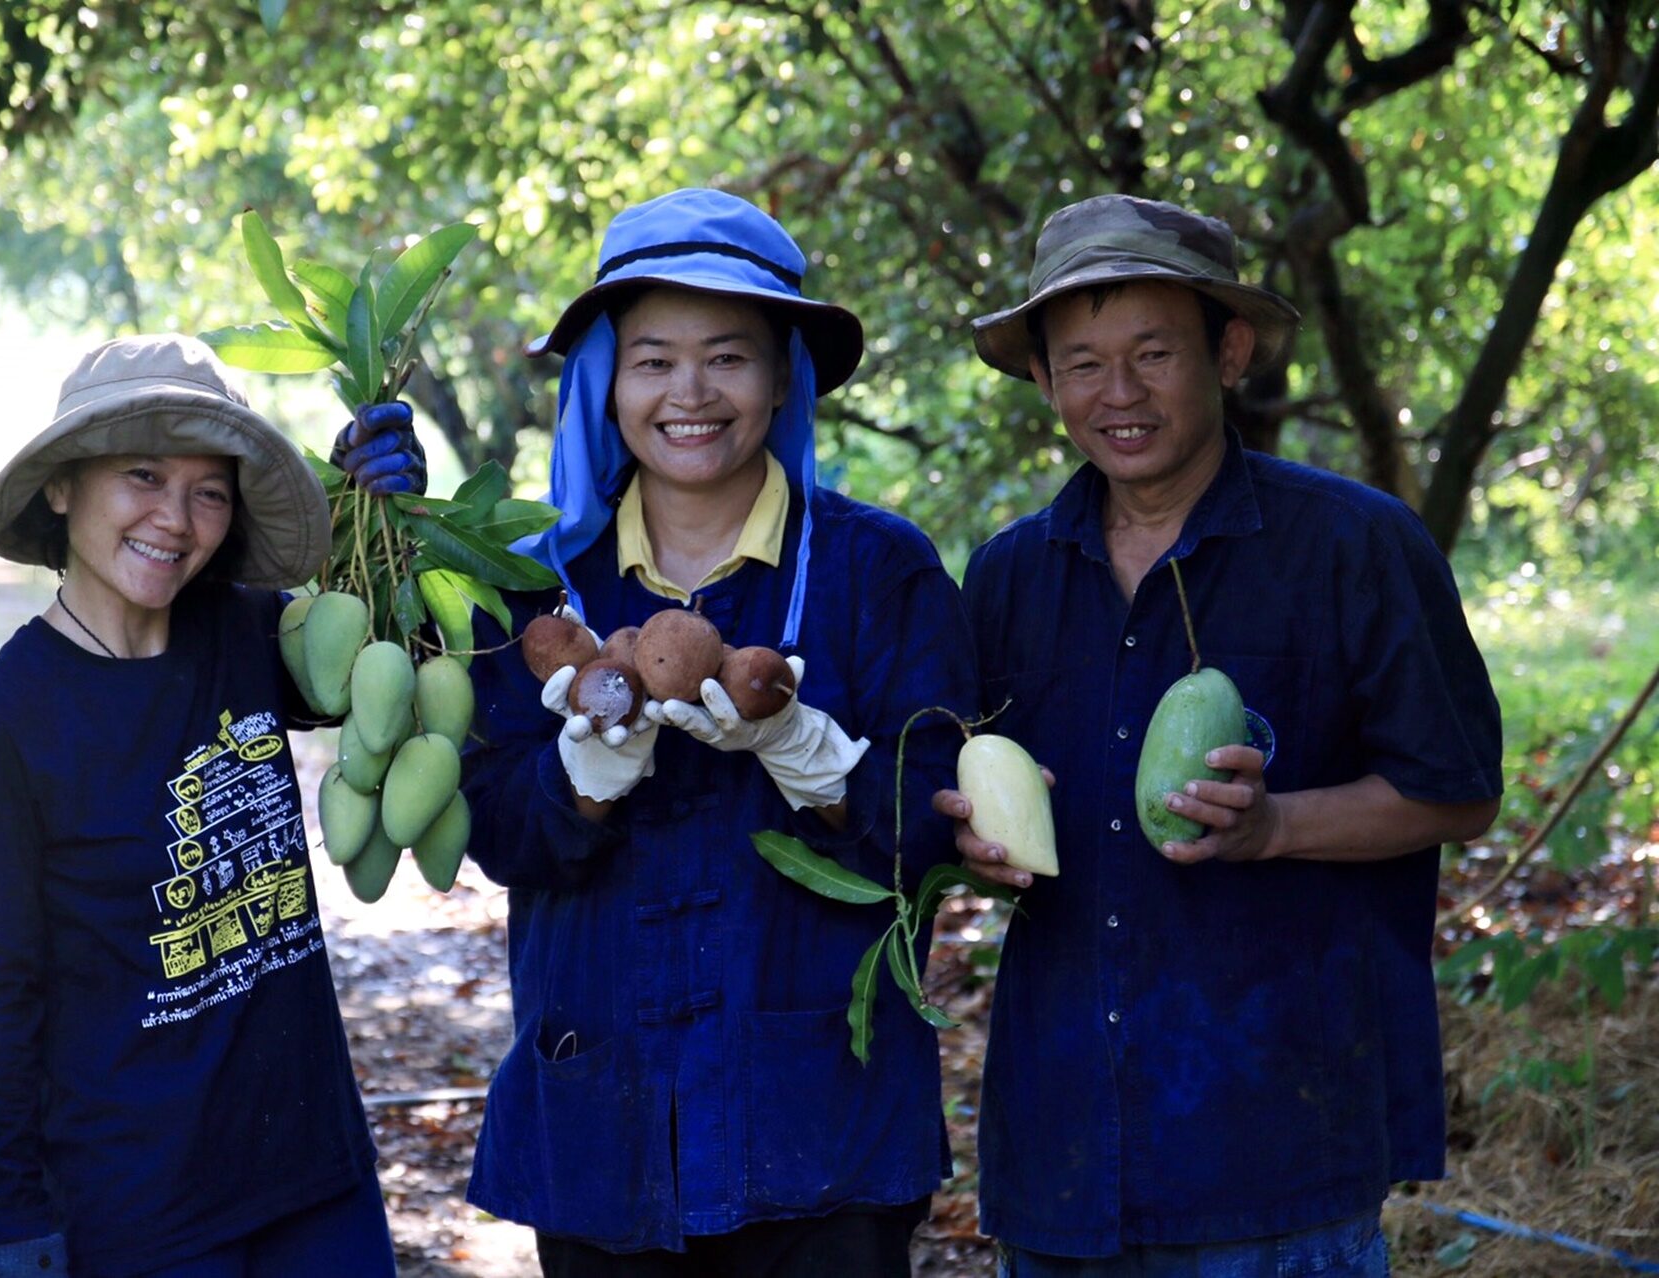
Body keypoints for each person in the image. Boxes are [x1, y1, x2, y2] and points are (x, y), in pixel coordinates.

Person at [934, 194, 1504, 1275]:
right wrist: (972, 840)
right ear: (1045, 380)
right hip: (1062, 1153)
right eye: (1083, 364)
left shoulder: (1354, 545)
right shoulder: (1009, 576)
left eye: (1154, 353)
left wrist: (1275, 826)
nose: (1120, 393)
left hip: (1275, 1144)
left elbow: (1460, 789)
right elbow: (976, 792)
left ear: (1229, 352)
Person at [413, 187, 971, 1275]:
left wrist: (813, 758)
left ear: (783, 377)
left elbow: (933, 834)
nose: (691, 394)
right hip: (602, 1124)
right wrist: (581, 777)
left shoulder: (877, 571)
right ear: (606, 382)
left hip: (826, 1126)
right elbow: (496, 833)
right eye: (654, 360)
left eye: (728, 357)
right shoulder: (529, 588)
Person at [0, 334, 397, 1278]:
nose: (174, 520)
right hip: (141, 1214)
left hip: (315, 1183)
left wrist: (378, 511)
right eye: (142, 476)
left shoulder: (249, 634)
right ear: (64, 487)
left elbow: (386, 670)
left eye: (208, 491)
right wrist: (9, 1222)